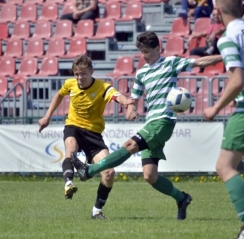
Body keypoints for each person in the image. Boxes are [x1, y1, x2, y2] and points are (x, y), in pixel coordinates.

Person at [71, 31, 223, 220]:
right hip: (151, 121)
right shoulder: (141, 72)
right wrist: (131, 109)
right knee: (150, 176)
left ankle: (89, 170)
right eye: (142, 53)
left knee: (129, 146)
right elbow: (134, 98)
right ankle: (182, 198)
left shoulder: (171, 63)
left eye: (148, 52)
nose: (145, 56)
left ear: (158, 49)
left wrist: (225, 56)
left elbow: (200, 62)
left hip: (163, 121)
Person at [38, 54, 134, 219]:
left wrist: (126, 102)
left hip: (93, 134)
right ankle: (68, 183)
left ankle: (97, 211)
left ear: (91, 72)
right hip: (73, 126)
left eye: (83, 74)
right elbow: (59, 95)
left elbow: (116, 96)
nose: (79, 78)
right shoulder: (70, 84)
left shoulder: (102, 87)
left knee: (109, 172)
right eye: (76, 74)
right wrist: (47, 116)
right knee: (71, 148)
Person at [203, 0, 244, 239]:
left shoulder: (228, 38)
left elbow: (237, 80)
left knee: (225, 166)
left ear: (217, 11)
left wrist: (215, 107)